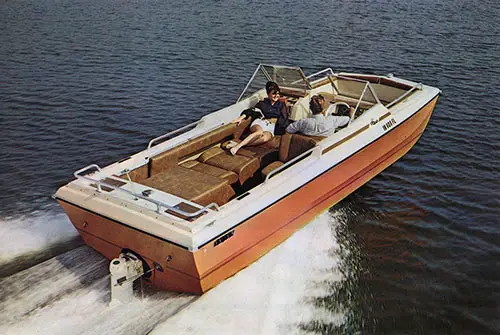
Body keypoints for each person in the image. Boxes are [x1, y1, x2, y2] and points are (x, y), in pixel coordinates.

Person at [228, 81, 290, 155]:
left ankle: (238, 145)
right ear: (268, 94)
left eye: (278, 93)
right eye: (274, 93)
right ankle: (237, 147)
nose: (276, 95)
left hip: (271, 127)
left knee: (265, 138)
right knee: (259, 132)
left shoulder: (281, 105)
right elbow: (251, 110)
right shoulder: (262, 103)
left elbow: (284, 118)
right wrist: (241, 118)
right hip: (260, 122)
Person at [286, 95, 352, 137]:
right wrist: (351, 111)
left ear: (310, 108)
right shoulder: (332, 120)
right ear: (323, 108)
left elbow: (288, 129)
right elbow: (349, 119)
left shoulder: (302, 122)